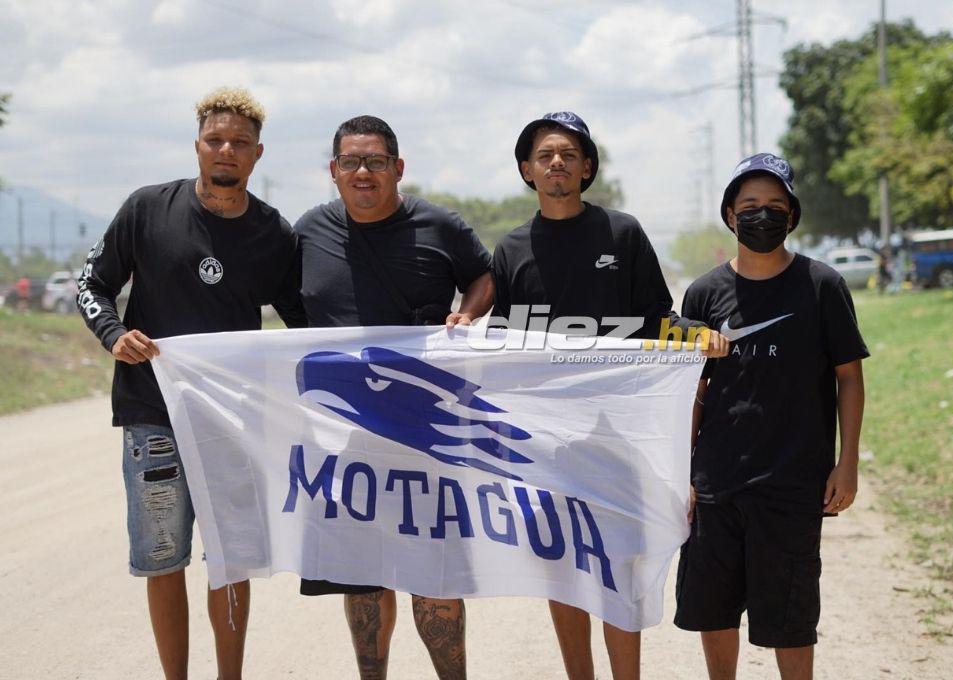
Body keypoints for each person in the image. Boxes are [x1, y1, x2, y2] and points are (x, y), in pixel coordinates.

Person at [77, 87, 305, 680]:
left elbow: (307, 317)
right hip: (151, 412)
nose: (226, 150)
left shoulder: (273, 234)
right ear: (197, 147)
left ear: (258, 155)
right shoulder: (147, 209)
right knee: (162, 560)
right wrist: (113, 334)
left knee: (230, 560)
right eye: (215, 140)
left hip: (232, 420)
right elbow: (91, 283)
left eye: (239, 143)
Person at [491, 111, 728, 680]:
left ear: (587, 167)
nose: (557, 163)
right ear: (527, 169)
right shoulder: (511, 249)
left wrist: (698, 337)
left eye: (569, 155)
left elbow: (656, 321)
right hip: (546, 442)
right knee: (563, 566)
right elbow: (499, 345)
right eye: (545, 155)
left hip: (620, 435)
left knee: (619, 563)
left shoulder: (621, 234)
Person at [292, 114, 494, 680]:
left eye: (375, 162)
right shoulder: (309, 231)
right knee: (358, 574)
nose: (363, 172)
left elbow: (485, 277)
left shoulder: (438, 225)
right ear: (333, 171)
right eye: (351, 162)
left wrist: (468, 314)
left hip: (425, 434)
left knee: (435, 573)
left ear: (397, 168)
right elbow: (289, 304)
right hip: (342, 437)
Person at [673, 153, 868, 680]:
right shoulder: (704, 293)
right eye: (751, 206)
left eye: (775, 206)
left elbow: (848, 375)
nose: (763, 215)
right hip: (716, 484)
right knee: (713, 611)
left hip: (793, 484)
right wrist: (682, 472)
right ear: (731, 215)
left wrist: (847, 463)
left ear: (792, 216)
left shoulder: (821, 285)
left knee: (791, 616)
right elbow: (690, 389)